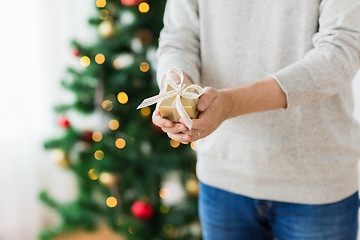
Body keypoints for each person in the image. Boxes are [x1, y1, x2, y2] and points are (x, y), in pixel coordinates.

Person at [152, 1, 360, 239]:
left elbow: (340, 53)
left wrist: (231, 103)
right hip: (222, 176)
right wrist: (177, 89)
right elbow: (179, 37)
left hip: (316, 184)